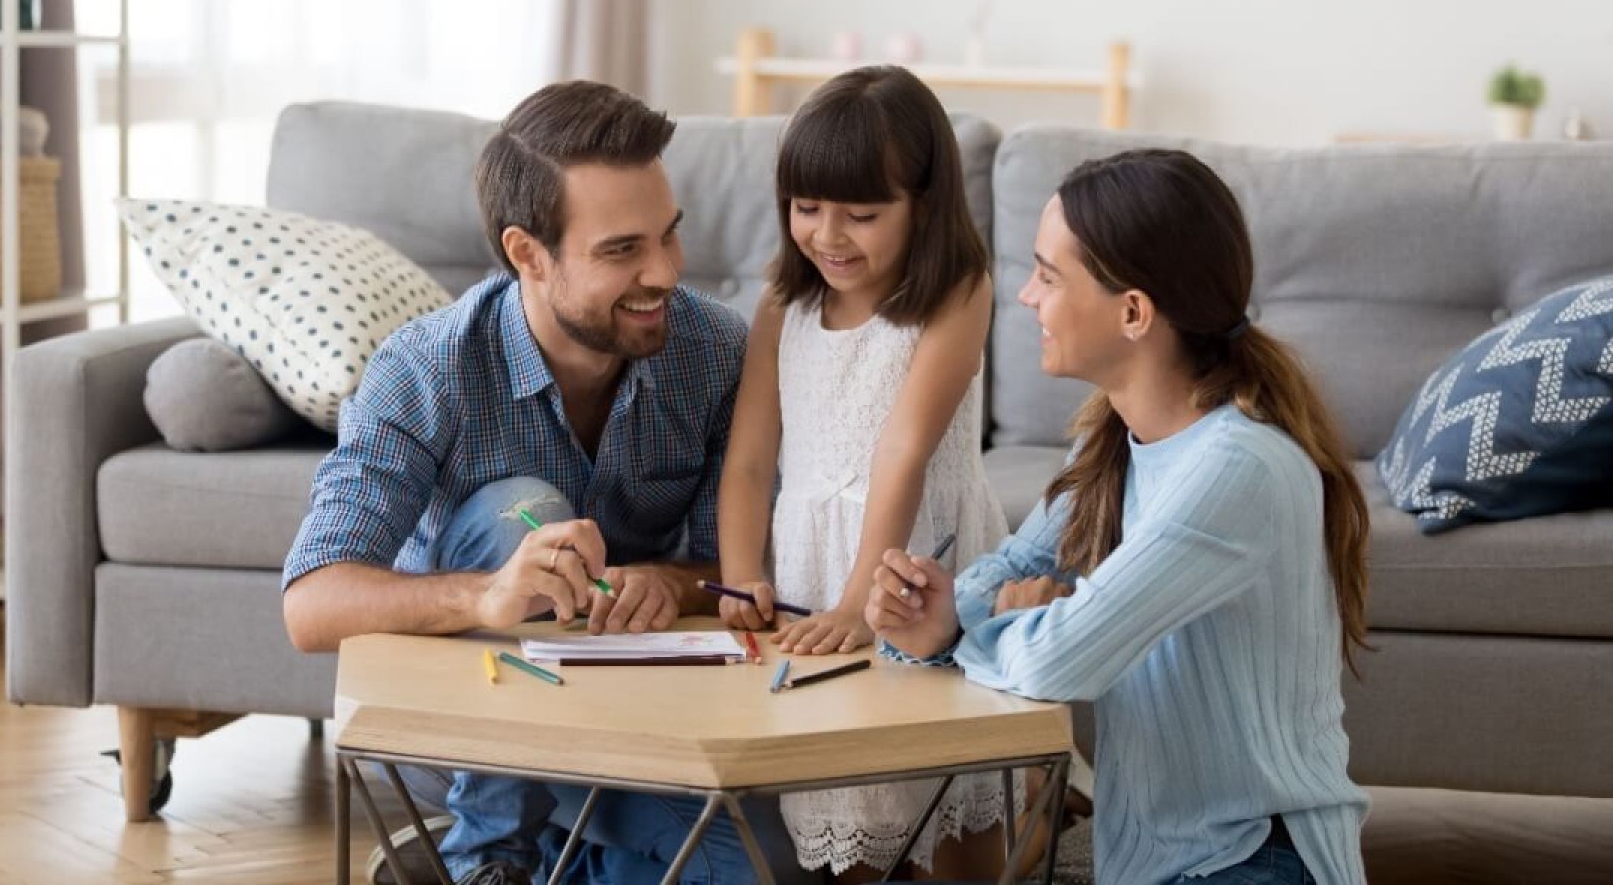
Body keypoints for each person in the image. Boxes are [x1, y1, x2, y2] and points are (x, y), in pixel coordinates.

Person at [282, 81, 799, 885]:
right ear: (528, 253)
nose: (664, 271)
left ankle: (560, 856)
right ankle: (489, 862)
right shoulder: (426, 369)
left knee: (764, 862)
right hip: (472, 726)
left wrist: (664, 583)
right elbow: (311, 604)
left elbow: (726, 572)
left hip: (629, 718)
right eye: (622, 250)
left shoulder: (713, 352)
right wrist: (484, 597)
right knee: (525, 512)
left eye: (669, 236)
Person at [867, 148, 1372, 885]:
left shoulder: (1236, 468)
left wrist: (957, 627)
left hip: (1254, 858)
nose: (1026, 297)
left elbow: (1056, 659)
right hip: (1153, 858)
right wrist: (942, 613)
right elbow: (1006, 572)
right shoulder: (1118, 441)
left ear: (1134, 311)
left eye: (1048, 275)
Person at [715, 66, 1011, 881]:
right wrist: (742, 579)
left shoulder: (957, 289)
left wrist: (859, 600)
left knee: (954, 793)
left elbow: (903, 447)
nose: (829, 235)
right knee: (852, 804)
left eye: (863, 214)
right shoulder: (784, 303)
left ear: (926, 204)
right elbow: (747, 461)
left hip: (917, 561)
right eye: (807, 209)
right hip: (814, 563)